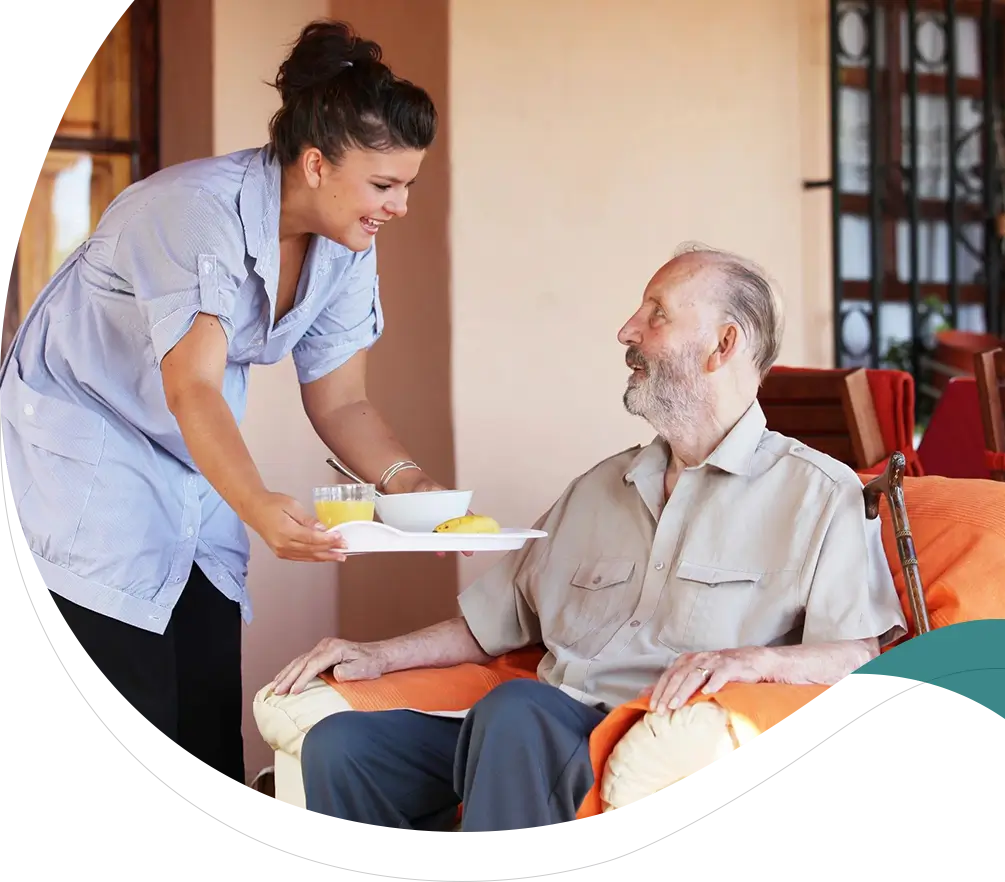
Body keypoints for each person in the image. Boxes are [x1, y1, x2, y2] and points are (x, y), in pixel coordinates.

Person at [269, 243, 909, 832]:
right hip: (532, 731)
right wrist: (378, 655)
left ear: (723, 345)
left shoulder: (818, 494)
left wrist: (754, 662)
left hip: (643, 730)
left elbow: (858, 654)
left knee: (519, 711)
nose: (627, 331)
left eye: (655, 314)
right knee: (341, 746)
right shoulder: (597, 488)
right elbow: (494, 623)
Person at [0, 20, 451, 789]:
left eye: (407, 184)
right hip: (90, 456)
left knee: (207, 708)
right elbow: (192, 385)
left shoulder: (347, 245)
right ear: (315, 163)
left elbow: (341, 400)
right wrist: (261, 506)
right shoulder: (190, 211)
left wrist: (412, 489)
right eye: (385, 184)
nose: (400, 205)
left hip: (192, 455)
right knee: (128, 687)